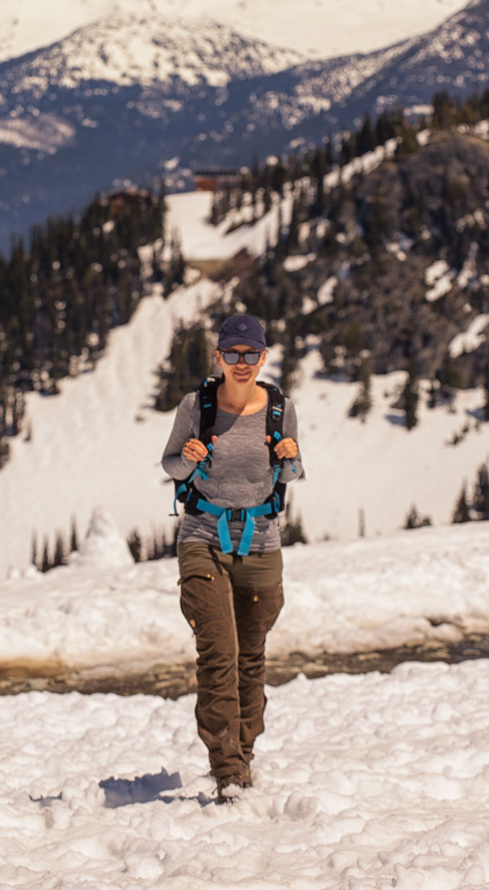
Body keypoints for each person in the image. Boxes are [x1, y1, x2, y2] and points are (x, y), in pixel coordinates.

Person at [161, 314, 302, 802]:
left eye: (251, 354)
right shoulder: (194, 406)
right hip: (202, 536)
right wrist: (190, 458)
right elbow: (170, 464)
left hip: (261, 542)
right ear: (218, 356)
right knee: (218, 653)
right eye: (232, 353)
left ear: (263, 358)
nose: (241, 363)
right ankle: (228, 771)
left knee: (250, 655)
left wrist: (290, 458)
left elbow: (293, 472)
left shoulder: (280, 408)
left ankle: (243, 750)